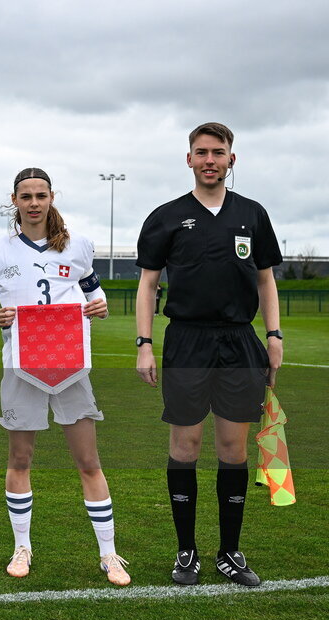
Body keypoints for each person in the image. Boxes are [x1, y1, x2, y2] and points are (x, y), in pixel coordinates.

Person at [135, 122, 282, 587]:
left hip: (240, 341)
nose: (210, 160)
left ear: (231, 159)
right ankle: (186, 553)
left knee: (233, 449)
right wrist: (144, 344)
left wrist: (273, 334)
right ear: (189, 160)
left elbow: (265, 280)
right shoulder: (166, 217)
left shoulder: (253, 215)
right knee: (185, 447)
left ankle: (230, 553)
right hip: (187, 341)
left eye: (218, 152)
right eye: (201, 152)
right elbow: (147, 285)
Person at [0, 168, 131, 586]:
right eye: (26, 196)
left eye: (41, 195)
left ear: (51, 197)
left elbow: (95, 294)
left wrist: (99, 307)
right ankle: (21, 546)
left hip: (70, 364)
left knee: (88, 461)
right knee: (20, 458)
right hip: (21, 364)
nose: (34, 203)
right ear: (14, 200)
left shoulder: (77, 245)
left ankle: (109, 554)